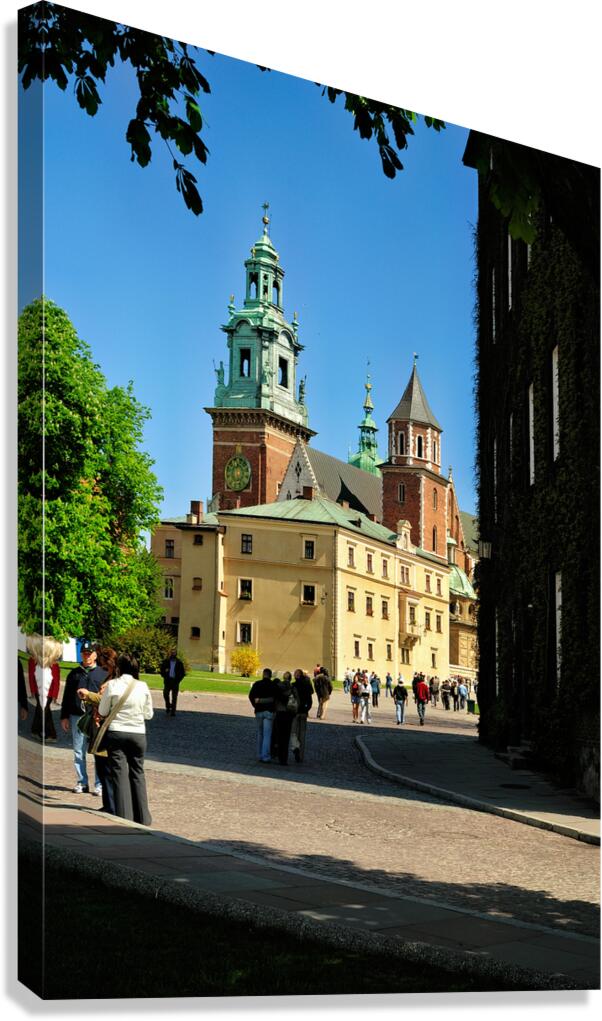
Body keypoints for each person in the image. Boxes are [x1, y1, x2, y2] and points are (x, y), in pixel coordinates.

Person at [97, 655, 153, 825]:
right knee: (138, 772)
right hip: (138, 734)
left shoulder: (113, 685)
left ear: (118, 668)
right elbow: (149, 714)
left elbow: (103, 709)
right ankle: (143, 817)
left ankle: (125, 816)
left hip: (117, 733)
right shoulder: (142, 686)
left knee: (119, 774)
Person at [61, 639, 107, 795]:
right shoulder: (74, 674)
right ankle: (82, 782)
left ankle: (99, 784)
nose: (86, 656)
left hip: (96, 716)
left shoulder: (103, 673)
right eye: (84, 653)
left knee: (97, 751)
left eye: (89, 653)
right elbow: (67, 696)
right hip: (76, 716)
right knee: (78, 750)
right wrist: (64, 716)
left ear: (95, 655)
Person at [77, 646, 118, 814]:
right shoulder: (109, 677)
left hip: (105, 728)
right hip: (98, 725)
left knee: (106, 768)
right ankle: (108, 804)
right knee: (102, 767)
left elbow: (105, 701)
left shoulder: (114, 681)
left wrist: (88, 695)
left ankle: (112, 806)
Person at [26, 634, 62, 741]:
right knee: (41, 710)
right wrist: (32, 691)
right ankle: (39, 732)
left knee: (44, 710)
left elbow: (56, 682)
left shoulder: (54, 664)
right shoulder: (32, 661)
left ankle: (48, 734)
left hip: (49, 693)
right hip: (38, 691)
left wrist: (55, 695)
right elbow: (31, 676)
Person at [248, 668, 277, 763]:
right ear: (270, 675)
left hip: (259, 711)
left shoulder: (257, 684)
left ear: (263, 675)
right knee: (267, 735)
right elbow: (275, 699)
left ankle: (259, 755)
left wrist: (255, 705)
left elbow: (251, 696)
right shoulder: (273, 685)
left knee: (260, 733)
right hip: (269, 712)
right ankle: (265, 756)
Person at [271, 672, 298, 765]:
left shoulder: (278, 686)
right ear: (291, 678)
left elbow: (274, 700)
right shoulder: (292, 687)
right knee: (286, 737)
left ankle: (277, 754)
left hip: (279, 713)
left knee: (278, 735)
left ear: (283, 677)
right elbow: (297, 701)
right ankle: (284, 759)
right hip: (288, 714)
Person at [290, 669, 313, 762]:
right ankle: (301, 756)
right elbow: (310, 701)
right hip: (303, 712)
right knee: (302, 735)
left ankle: (295, 747)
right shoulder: (307, 685)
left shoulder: (294, 686)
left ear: (297, 676)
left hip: (295, 712)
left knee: (293, 733)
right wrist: (306, 709)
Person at [159, 649, 186, 717]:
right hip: (168, 681)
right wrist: (164, 675)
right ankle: (168, 705)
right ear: (170, 654)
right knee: (165, 694)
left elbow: (182, 673)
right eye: (172, 653)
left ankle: (173, 711)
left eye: (174, 653)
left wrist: (178, 680)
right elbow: (161, 670)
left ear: (176, 654)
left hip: (175, 681)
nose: (173, 654)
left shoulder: (179, 663)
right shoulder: (166, 661)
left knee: (174, 697)